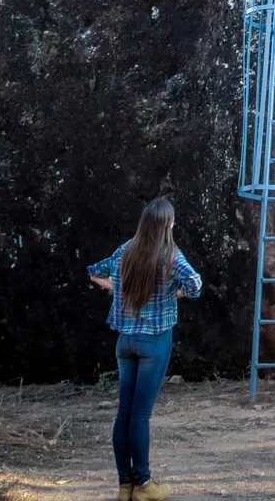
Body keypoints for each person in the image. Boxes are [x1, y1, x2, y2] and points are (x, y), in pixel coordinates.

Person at [88, 198, 202, 501]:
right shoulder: (169, 255)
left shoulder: (125, 249)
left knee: (123, 414)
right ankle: (145, 484)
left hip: (125, 342)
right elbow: (194, 284)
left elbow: (94, 271)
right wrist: (173, 294)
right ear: (169, 224)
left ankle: (125, 486)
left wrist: (119, 289)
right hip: (154, 340)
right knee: (139, 415)